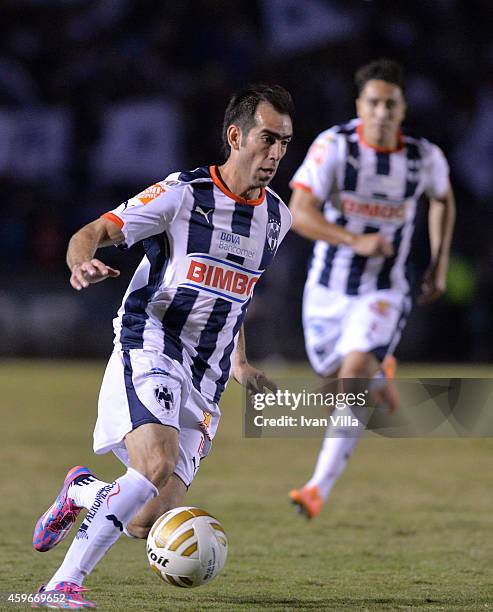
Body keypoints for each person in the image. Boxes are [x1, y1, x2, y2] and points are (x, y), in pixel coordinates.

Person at [32, 83, 294, 608]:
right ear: (235, 135)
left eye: (285, 143)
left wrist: (239, 363)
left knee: (142, 520)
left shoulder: (276, 219)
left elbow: (234, 294)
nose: (276, 154)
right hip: (152, 343)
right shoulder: (184, 194)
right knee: (155, 464)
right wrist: (80, 262)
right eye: (267, 139)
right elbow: (90, 232)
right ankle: (61, 585)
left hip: (207, 379)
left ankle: (82, 491)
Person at [288, 59, 455, 519]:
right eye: (374, 103)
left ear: (403, 108)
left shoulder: (423, 157)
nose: (382, 112)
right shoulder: (334, 147)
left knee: (352, 377)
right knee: (334, 386)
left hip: (384, 290)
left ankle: (316, 489)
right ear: (360, 105)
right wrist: (355, 239)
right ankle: (382, 372)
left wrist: (438, 264)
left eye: (391, 104)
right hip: (326, 289)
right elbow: (299, 212)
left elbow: (443, 198)